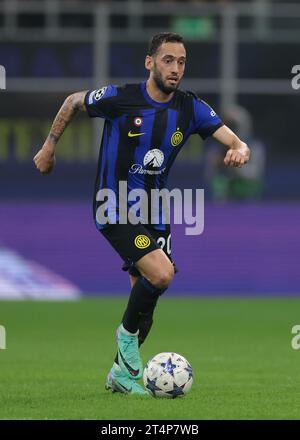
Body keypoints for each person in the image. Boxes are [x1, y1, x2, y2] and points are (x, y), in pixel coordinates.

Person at [33, 32, 250, 395]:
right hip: (113, 205)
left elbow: (232, 139)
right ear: (150, 62)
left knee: (145, 301)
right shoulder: (121, 98)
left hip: (154, 211)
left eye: (181, 62)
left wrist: (240, 149)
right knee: (162, 274)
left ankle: (119, 374)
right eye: (168, 60)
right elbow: (73, 102)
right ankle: (125, 339)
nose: (176, 68)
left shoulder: (189, 107)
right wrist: (49, 146)